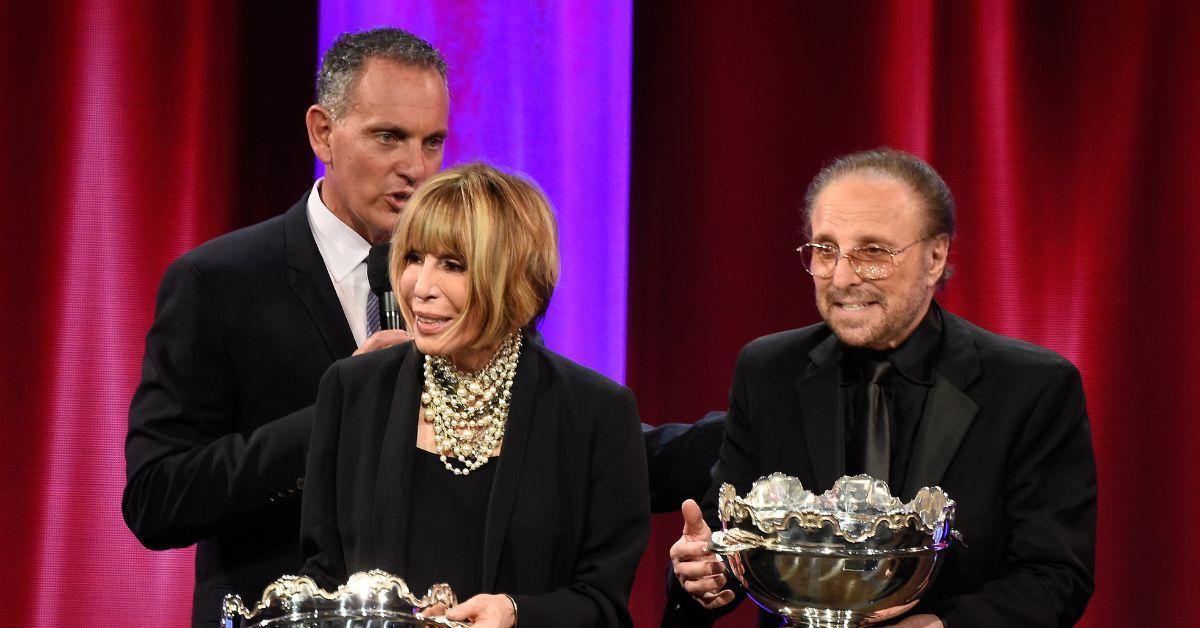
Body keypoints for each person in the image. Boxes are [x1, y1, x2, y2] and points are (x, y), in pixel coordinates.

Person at [122, 27, 718, 626]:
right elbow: (157, 498)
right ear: (323, 132)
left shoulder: (480, 281)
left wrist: (747, 432)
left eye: (432, 142)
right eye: (389, 137)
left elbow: (554, 441)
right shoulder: (218, 283)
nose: (415, 167)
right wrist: (338, 418)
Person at [665, 148, 1096, 627]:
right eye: (826, 250)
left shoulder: (1031, 387)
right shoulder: (768, 371)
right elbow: (727, 541)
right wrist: (706, 573)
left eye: (873, 252)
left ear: (936, 257)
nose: (843, 278)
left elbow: (1056, 576)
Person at [298, 162, 650, 627]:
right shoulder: (354, 391)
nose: (420, 287)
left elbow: (603, 605)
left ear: (514, 278)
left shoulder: (596, 413)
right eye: (413, 258)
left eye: (453, 265)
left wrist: (516, 614)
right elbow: (323, 576)